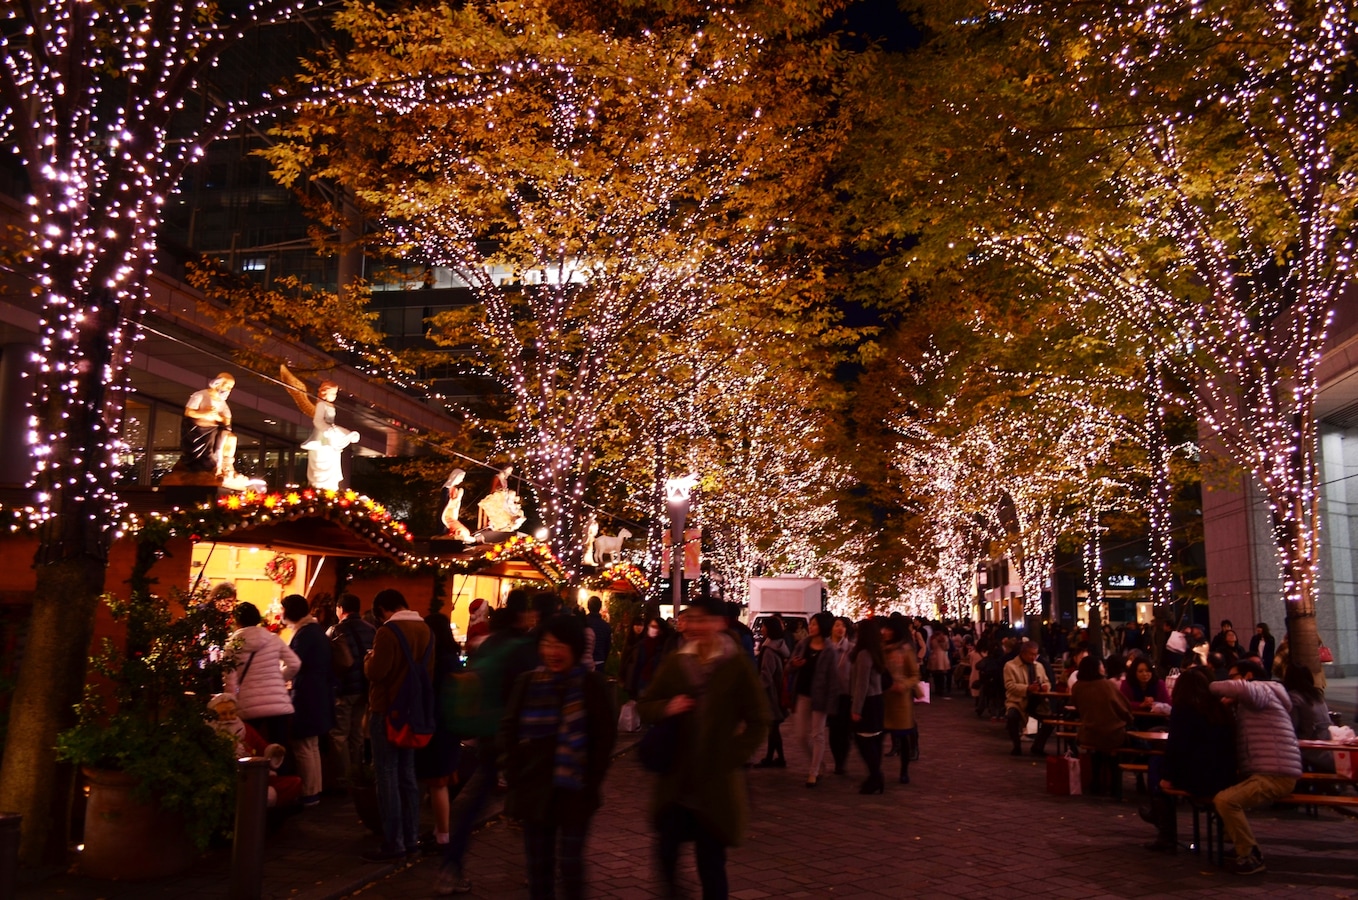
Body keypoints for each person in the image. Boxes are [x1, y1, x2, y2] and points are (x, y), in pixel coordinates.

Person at [638, 598, 769, 900]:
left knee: (711, 865)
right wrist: (666, 707)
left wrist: (733, 756)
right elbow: (646, 705)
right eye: (691, 620)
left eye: (703, 620)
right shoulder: (677, 662)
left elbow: (759, 719)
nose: (695, 627)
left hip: (716, 785)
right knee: (666, 854)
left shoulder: (736, 665)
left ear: (720, 624)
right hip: (677, 781)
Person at [501, 615, 616, 900]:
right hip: (534, 789)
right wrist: (514, 773)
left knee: (570, 864)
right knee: (538, 867)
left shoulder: (592, 686)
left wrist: (591, 781)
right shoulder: (528, 683)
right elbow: (508, 729)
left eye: (560, 645)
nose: (552, 652)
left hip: (576, 790)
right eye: (547, 644)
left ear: (575, 648)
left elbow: (604, 740)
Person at [436, 591, 536, 895]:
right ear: (524, 616)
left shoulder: (490, 642)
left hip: (488, 734)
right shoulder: (525, 648)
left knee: (475, 803)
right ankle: (537, 869)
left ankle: (450, 867)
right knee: (535, 804)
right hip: (518, 737)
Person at [1210, 658, 1303, 875]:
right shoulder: (1263, 697)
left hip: (1275, 774)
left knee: (1225, 801)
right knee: (1225, 792)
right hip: (1271, 770)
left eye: (1233, 676)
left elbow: (1239, 688)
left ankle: (1251, 854)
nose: (1230, 682)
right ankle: (1239, 844)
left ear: (1248, 676)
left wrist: (1207, 683)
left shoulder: (1261, 689)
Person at [362, 589, 434, 862]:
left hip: (387, 711)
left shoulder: (388, 632)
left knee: (387, 775)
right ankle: (411, 836)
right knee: (408, 775)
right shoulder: (426, 630)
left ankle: (394, 842)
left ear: (382, 609)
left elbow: (377, 672)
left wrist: (368, 659)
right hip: (413, 713)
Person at [1142, 667, 1236, 853]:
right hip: (1225, 776)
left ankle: (1165, 830)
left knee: (1156, 767)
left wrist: (1168, 777)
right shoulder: (1220, 708)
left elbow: (1176, 747)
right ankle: (1159, 814)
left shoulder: (1184, 710)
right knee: (1159, 765)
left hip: (1198, 777)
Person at [416, 613, 464, 853]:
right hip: (451, 727)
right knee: (440, 781)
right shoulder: (452, 658)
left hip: (438, 728)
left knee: (437, 784)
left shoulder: (438, 661)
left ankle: (443, 837)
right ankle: (439, 831)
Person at [282, 593, 335, 806]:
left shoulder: (304, 634)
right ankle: (315, 790)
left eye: (283, 609)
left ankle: (308, 793)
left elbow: (294, 664)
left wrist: (278, 677)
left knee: (303, 744)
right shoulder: (315, 631)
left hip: (306, 694)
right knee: (311, 745)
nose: (281, 613)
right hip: (319, 693)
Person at [223, 601, 300, 746]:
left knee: (251, 749)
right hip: (279, 706)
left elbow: (230, 682)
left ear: (237, 621)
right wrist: (278, 678)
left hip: (249, 706)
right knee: (279, 752)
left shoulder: (232, 646)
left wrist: (231, 705)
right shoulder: (273, 639)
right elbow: (295, 664)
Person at [1070, 655, 1135, 796]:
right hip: (1113, 735)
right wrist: (1129, 719)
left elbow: (1077, 707)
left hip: (1088, 734)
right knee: (1114, 751)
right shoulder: (1107, 685)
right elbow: (1123, 708)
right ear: (1096, 668)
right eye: (1101, 665)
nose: (1103, 668)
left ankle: (1095, 785)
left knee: (1097, 751)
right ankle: (1115, 788)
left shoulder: (1077, 687)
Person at [330, 592, 376, 788]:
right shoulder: (372, 630)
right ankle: (357, 773)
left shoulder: (336, 630)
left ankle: (343, 778)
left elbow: (329, 660)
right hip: (364, 689)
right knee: (357, 732)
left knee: (339, 734)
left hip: (344, 689)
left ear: (340, 609)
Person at [789, 611, 840, 787]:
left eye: (815, 624)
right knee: (801, 735)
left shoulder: (830, 650)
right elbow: (789, 666)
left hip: (821, 696)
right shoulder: (803, 644)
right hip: (802, 693)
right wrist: (794, 665)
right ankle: (818, 763)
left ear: (823, 627)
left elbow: (833, 679)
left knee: (817, 734)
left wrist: (832, 703)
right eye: (811, 624)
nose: (811, 627)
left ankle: (814, 771)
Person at [849, 618, 887, 794]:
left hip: (868, 701)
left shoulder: (864, 654)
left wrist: (856, 708)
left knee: (864, 741)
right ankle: (874, 777)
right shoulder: (877, 651)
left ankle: (875, 776)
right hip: (877, 699)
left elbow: (861, 684)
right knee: (874, 741)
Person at [881, 618, 921, 783]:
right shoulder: (880, 650)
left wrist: (903, 685)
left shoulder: (905, 650)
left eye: (890, 629)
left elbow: (914, 675)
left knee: (903, 737)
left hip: (900, 701)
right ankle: (876, 770)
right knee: (878, 735)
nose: (886, 632)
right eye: (885, 629)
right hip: (883, 698)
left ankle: (904, 771)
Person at [302, 380, 359, 491]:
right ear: (325, 393)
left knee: (332, 459)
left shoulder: (330, 405)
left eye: (336, 394)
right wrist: (328, 430)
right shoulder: (321, 404)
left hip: (330, 436)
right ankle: (319, 487)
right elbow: (317, 421)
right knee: (322, 460)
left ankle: (330, 487)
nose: (335, 396)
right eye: (333, 393)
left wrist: (345, 433)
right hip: (322, 437)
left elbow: (332, 424)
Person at [1283, 664, 1335, 774]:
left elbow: (1291, 727)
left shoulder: (1294, 697)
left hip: (1310, 748)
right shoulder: (1317, 696)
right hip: (1328, 743)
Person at [179, 372, 235, 474]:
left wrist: (217, 416)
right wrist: (204, 413)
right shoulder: (200, 395)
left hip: (213, 430)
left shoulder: (222, 403)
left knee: (230, 439)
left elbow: (227, 420)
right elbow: (188, 412)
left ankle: (223, 464)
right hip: (197, 431)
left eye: (231, 387)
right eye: (227, 386)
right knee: (206, 460)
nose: (229, 390)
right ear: (218, 383)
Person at [1002, 640, 1051, 756]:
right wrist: (1027, 688)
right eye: (1031, 654)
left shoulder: (1039, 666)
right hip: (1017, 701)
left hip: (1037, 701)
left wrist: (1045, 687)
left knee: (1050, 722)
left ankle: (1038, 746)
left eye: (1035, 654)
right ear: (1023, 653)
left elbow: (1047, 682)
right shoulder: (1010, 666)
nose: (1033, 657)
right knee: (1012, 717)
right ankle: (1016, 746)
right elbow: (1009, 685)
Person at [754, 618, 790, 768]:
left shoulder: (768, 649)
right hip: (777, 690)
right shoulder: (780, 645)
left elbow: (766, 675)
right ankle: (774, 758)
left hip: (771, 694)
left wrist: (756, 689)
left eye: (764, 626)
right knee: (773, 727)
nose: (761, 628)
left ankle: (776, 759)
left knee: (773, 727)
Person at [826, 617, 855, 772]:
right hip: (830, 695)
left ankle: (841, 762)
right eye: (837, 625)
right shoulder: (825, 647)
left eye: (843, 626)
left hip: (846, 694)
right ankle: (837, 758)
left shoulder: (851, 648)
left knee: (844, 731)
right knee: (833, 730)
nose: (840, 629)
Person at [439, 468, 472, 541]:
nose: (462, 480)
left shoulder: (455, 490)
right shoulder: (447, 489)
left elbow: (456, 505)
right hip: (447, 517)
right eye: (461, 478)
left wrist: (459, 498)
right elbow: (446, 504)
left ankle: (456, 535)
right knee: (464, 532)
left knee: (466, 532)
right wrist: (456, 499)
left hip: (452, 516)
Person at [584, 596, 611, 672]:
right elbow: (607, 646)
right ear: (600, 607)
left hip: (584, 662)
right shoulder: (605, 626)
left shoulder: (583, 622)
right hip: (600, 661)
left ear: (588, 606)